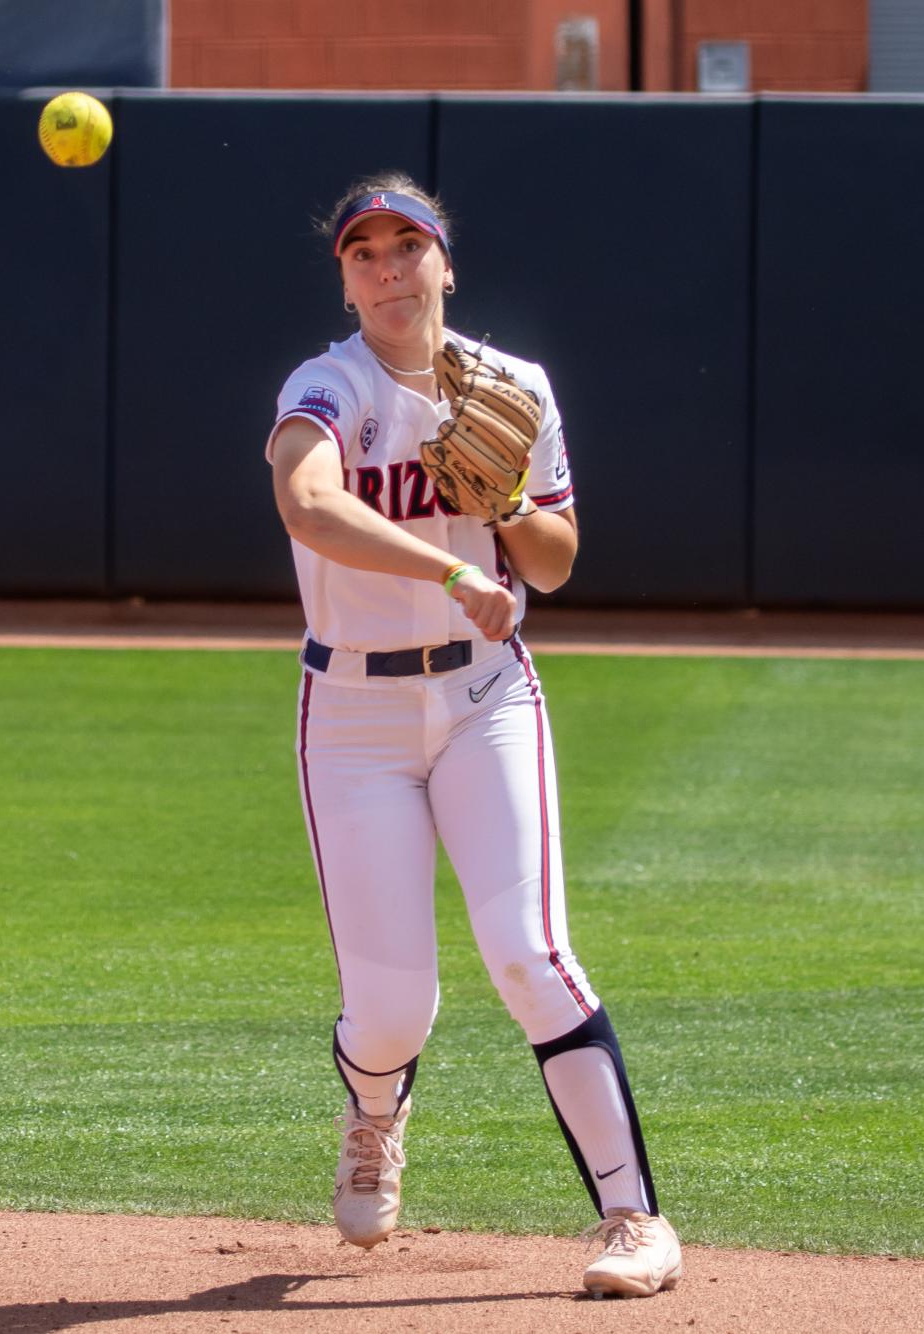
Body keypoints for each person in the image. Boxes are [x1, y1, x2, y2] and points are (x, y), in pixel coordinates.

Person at [263, 172, 681, 1299]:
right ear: (345, 279)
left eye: (408, 246)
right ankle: (374, 1107)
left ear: (447, 263)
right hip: (351, 715)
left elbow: (555, 559)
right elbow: (307, 503)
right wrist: (451, 561)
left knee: (531, 955)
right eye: (365, 252)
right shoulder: (330, 384)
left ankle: (636, 1218)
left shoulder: (514, 388)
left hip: (487, 696)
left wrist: (498, 507)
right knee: (394, 1009)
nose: (388, 267)